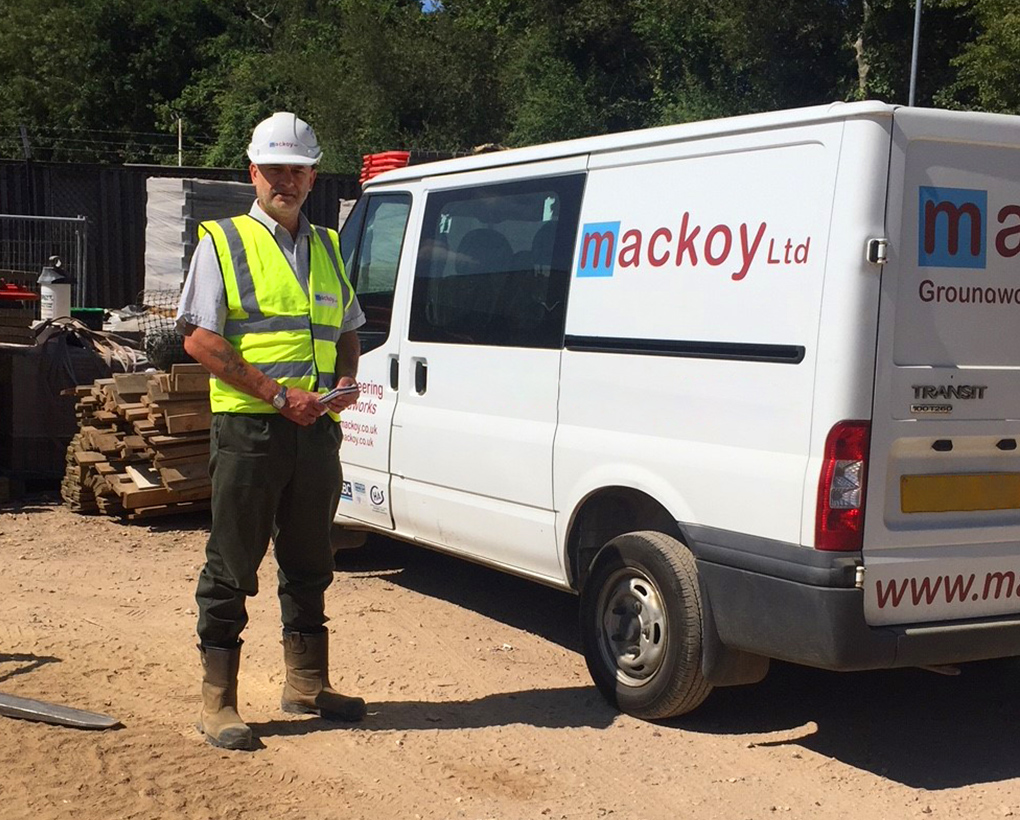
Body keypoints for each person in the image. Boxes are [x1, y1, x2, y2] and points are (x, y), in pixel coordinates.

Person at [176, 112, 367, 751]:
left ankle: (307, 684)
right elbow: (200, 337)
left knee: (311, 556)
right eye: (275, 169)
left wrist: (342, 384)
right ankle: (218, 703)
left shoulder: (329, 247)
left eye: (298, 169)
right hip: (251, 432)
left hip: (315, 431)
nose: (287, 179)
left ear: (312, 177)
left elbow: (346, 329)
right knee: (232, 563)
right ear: (252, 172)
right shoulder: (223, 242)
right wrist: (279, 395)